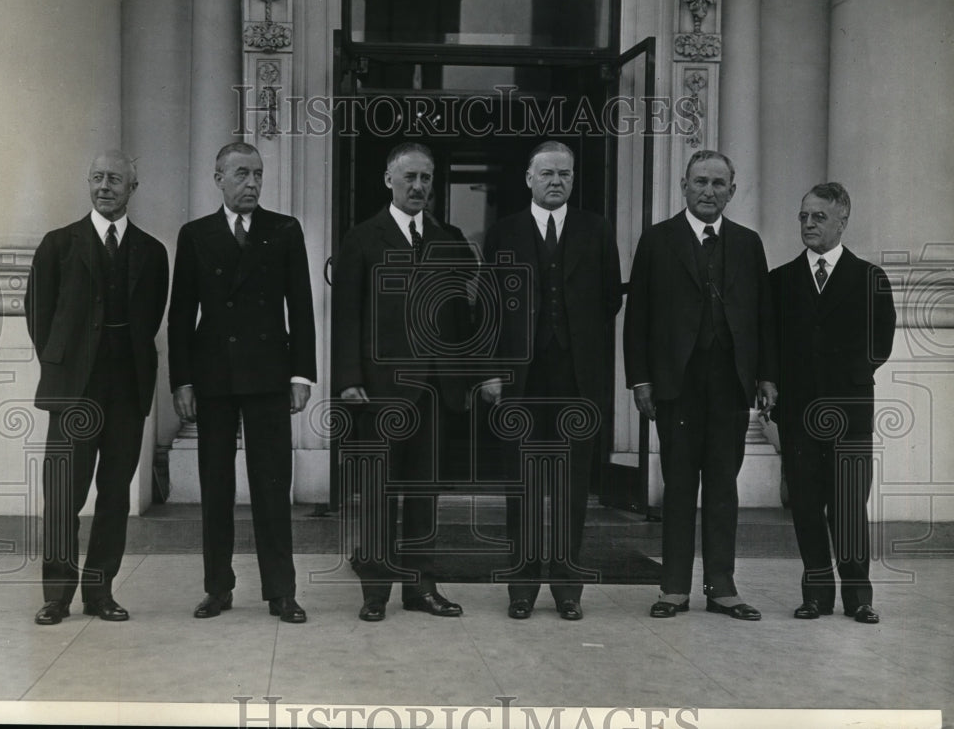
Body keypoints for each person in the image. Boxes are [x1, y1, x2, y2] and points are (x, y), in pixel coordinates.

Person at [623, 149, 776, 621]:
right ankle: (673, 588)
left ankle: (722, 588)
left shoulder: (749, 243)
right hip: (676, 382)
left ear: (733, 189)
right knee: (679, 484)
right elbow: (639, 317)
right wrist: (640, 379)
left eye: (718, 183)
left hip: (730, 382)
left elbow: (763, 315)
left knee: (723, 486)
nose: (709, 191)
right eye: (700, 182)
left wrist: (767, 375)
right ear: (684, 187)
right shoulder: (657, 240)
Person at [168, 143, 317, 623]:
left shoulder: (284, 230)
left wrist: (301, 374)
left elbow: (303, 307)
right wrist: (182, 381)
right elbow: (179, 317)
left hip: (270, 375)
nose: (251, 183)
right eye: (240, 174)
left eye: (257, 174)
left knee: (272, 486)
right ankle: (218, 587)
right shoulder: (195, 235)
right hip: (212, 378)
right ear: (218, 178)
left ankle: (281, 591)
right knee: (216, 486)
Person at [480, 140, 623, 621]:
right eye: (547, 174)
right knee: (521, 483)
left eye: (564, 173)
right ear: (528, 179)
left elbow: (609, 300)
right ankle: (521, 587)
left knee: (571, 483)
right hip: (520, 377)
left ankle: (567, 588)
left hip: (576, 375)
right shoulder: (503, 233)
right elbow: (490, 309)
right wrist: (493, 372)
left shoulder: (596, 230)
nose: (556, 181)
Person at [25, 150, 169, 625]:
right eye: (97, 178)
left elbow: (150, 317)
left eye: (115, 179)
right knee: (64, 495)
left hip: (126, 390)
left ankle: (101, 592)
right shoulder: (58, 244)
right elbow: (39, 317)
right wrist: (67, 366)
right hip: (73, 393)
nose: (104, 186)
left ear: (133, 187)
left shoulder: (151, 251)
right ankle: (57, 596)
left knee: (114, 494)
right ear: (88, 183)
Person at [331, 142, 470, 622]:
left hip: (434, 390)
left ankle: (421, 588)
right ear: (388, 180)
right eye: (409, 177)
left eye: (426, 178)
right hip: (379, 390)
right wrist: (349, 378)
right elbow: (346, 315)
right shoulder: (363, 238)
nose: (418, 187)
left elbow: (461, 319)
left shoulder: (449, 240)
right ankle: (375, 592)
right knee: (378, 493)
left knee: (424, 494)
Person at [770, 183, 895, 624]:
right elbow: (771, 345)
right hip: (797, 414)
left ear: (842, 220)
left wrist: (846, 381)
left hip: (850, 412)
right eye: (803, 216)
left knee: (847, 506)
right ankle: (817, 594)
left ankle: (858, 596)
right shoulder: (780, 280)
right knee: (804, 503)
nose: (808, 224)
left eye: (818, 217)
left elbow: (880, 344)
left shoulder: (870, 277)